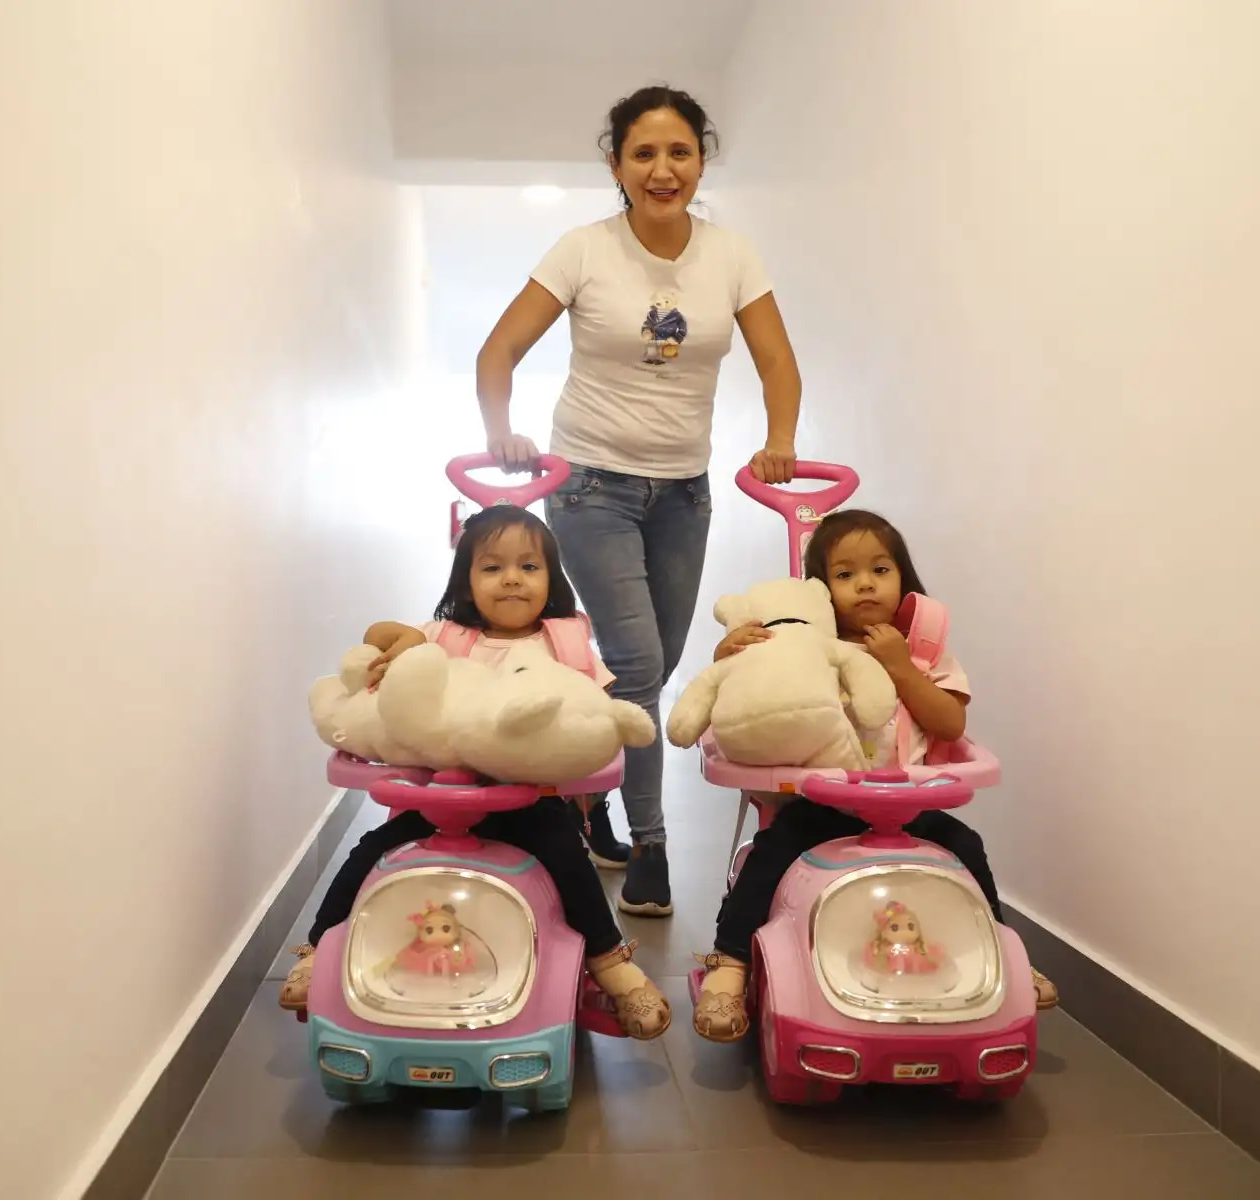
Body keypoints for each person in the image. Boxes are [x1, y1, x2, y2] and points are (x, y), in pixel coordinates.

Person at [474, 85, 802, 918]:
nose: (663, 170)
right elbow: (499, 349)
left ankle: (590, 801)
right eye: (644, 154)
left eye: (679, 152)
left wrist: (781, 438)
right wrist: (501, 433)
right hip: (592, 484)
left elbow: (777, 361)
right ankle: (652, 846)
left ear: (702, 161)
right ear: (617, 165)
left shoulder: (731, 255)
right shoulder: (585, 250)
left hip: (684, 492)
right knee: (640, 665)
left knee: (645, 668)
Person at [278, 506, 670, 1040]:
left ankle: (612, 965)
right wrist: (405, 643)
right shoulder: (444, 637)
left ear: (552, 578)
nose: (511, 578)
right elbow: (377, 632)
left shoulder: (565, 645)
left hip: (529, 801)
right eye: (491, 567)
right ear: (465, 580)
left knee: (570, 862)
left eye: (528, 566)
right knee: (370, 851)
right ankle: (317, 950)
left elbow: (594, 714)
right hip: (441, 802)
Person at [690, 509, 1061, 1042]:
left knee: (966, 846)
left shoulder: (925, 654)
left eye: (880, 570)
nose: (865, 584)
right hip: (824, 805)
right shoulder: (806, 651)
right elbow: (748, 696)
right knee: (771, 852)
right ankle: (729, 963)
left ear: (903, 579)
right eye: (845, 575)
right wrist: (728, 654)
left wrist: (902, 667)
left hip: (909, 808)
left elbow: (950, 725)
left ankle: (999, 951)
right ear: (821, 592)